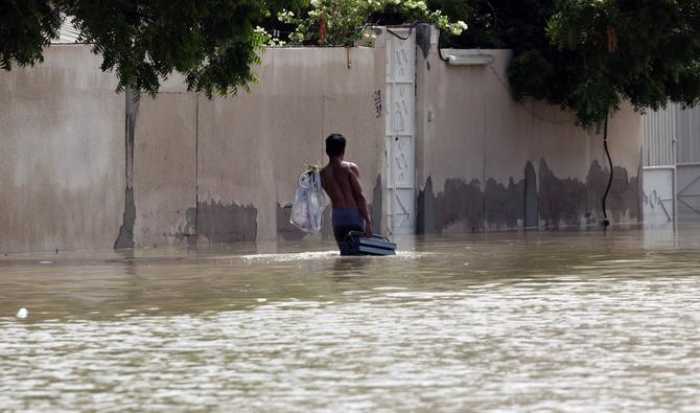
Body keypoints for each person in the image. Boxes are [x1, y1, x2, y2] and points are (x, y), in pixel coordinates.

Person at [320, 133, 373, 255]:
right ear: (343, 150)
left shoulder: (322, 174)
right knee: (359, 257)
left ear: (327, 151)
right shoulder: (349, 168)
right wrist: (369, 222)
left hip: (337, 218)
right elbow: (360, 196)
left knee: (345, 254)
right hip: (353, 215)